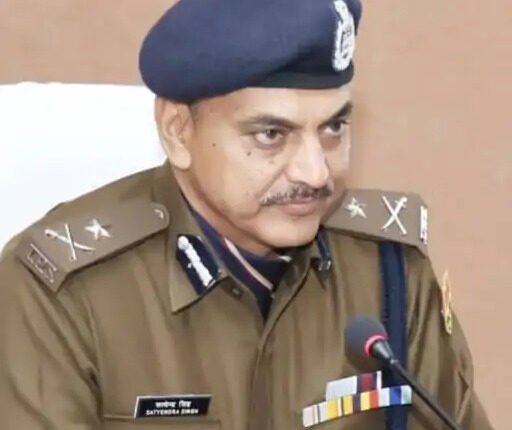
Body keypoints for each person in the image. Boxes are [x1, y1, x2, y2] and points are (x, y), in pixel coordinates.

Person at [0, 0, 494, 428]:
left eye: (333, 128)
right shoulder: (62, 296)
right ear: (177, 131)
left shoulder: (388, 270)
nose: (315, 172)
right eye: (271, 135)